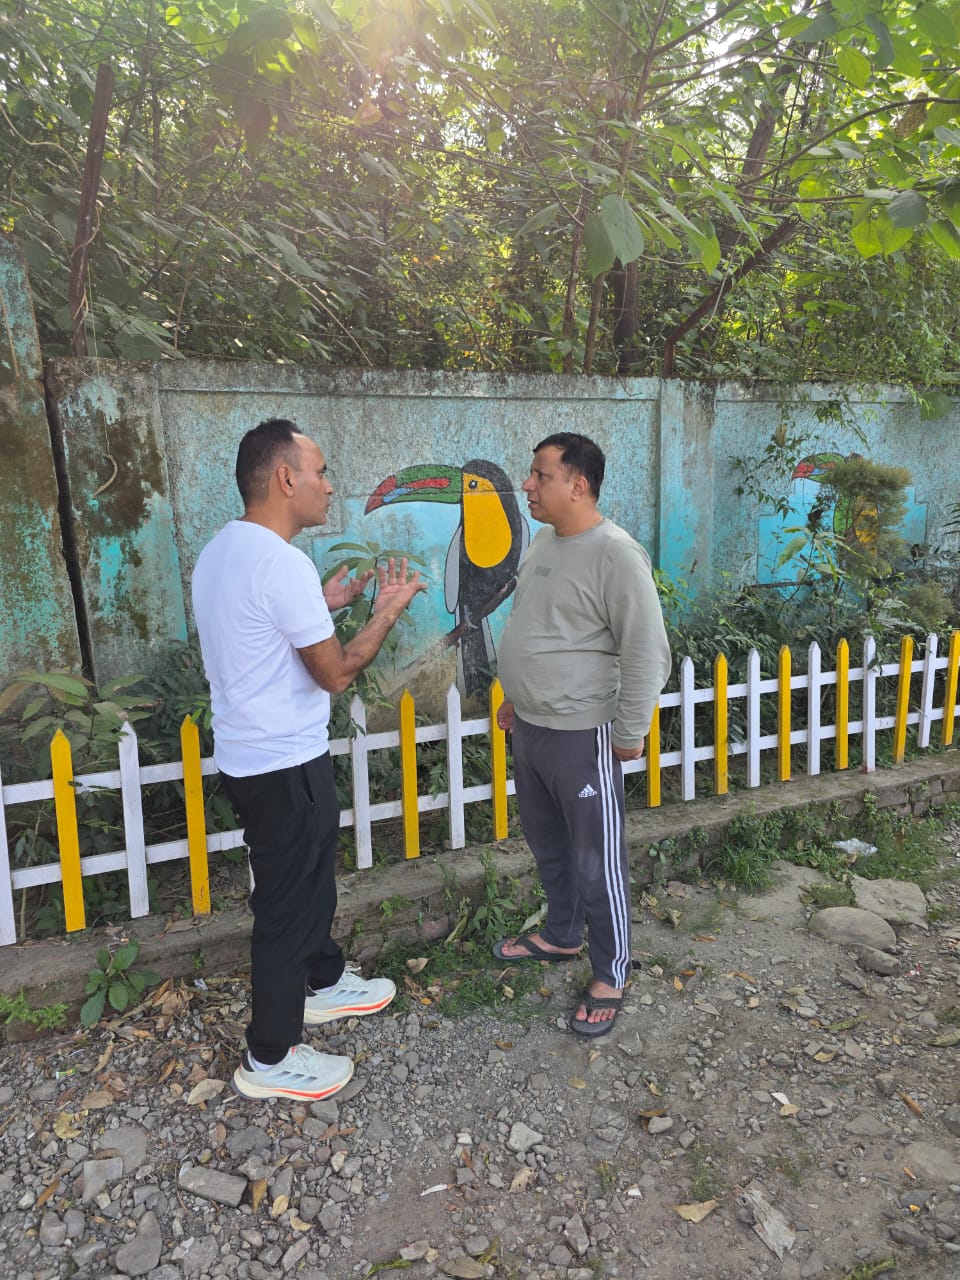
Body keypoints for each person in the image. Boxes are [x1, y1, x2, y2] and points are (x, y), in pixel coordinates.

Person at [192, 418, 425, 1101]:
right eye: (320, 472)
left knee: (304, 876)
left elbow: (258, 630)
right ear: (285, 477)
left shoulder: (225, 551)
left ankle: (322, 979)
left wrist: (327, 604)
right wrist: (385, 610)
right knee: (288, 903)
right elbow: (336, 672)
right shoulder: (281, 562)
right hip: (283, 763)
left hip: (251, 755)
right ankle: (270, 1056)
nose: (329, 485)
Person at [492, 433, 671, 1037]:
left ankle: (612, 970)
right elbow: (537, 627)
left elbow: (647, 648)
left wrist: (630, 732)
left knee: (598, 861)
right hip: (534, 727)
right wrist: (518, 697)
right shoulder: (545, 541)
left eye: (540, 474)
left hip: (583, 732)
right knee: (547, 845)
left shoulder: (615, 553)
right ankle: (563, 936)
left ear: (578, 485)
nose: (528, 485)